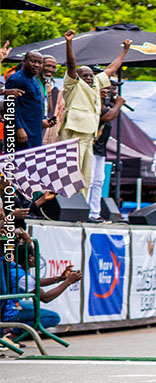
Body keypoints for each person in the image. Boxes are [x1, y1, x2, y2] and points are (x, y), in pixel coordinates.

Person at [61, 30, 131, 196]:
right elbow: (72, 65)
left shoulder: (96, 84)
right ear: (77, 77)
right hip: (73, 134)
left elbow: (112, 68)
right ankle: (66, 203)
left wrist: (125, 51)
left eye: (91, 76)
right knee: (70, 172)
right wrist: (69, 43)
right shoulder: (73, 86)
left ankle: (81, 207)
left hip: (89, 136)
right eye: (85, 75)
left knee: (86, 175)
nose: (89, 78)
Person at [1, 241, 83, 336]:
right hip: (9, 311)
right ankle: (11, 332)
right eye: (36, 256)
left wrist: (60, 278)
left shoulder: (13, 268)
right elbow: (46, 298)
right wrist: (68, 282)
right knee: (53, 317)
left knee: (30, 304)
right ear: (30, 258)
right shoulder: (23, 277)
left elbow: (34, 281)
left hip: (7, 305)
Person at [86, 80, 126, 221]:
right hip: (89, 147)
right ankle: (85, 211)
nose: (114, 92)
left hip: (100, 149)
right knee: (89, 180)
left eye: (115, 89)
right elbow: (106, 116)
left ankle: (95, 213)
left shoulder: (108, 104)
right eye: (111, 88)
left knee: (98, 181)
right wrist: (118, 104)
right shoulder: (96, 102)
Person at [4, 50, 56, 150]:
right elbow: (9, 106)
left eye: (39, 62)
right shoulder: (16, 79)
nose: (36, 65)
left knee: (33, 162)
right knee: (17, 163)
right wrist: (19, 128)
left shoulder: (33, 79)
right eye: (33, 61)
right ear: (24, 61)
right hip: (22, 132)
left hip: (34, 131)